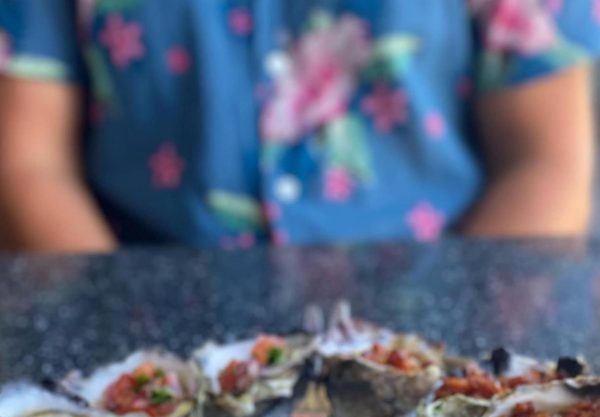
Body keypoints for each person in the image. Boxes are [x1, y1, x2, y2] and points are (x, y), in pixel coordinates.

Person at [0, 0, 598, 252]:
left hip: (438, 290)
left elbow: (545, 163)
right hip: (138, 293)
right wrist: (125, 366)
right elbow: (29, 164)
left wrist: (458, 349)